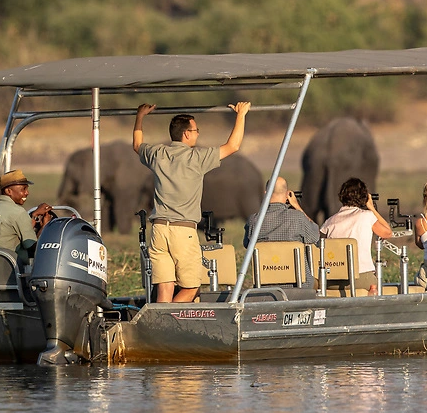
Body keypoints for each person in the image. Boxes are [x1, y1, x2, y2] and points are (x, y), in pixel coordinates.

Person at [133, 101, 250, 303]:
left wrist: (140, 116)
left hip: (159, 231)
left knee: (165, 289)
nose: (198, 134)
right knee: (191, 288)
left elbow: (136, 145)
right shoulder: (196, 158)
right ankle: (166, 322)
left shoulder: (158, 154)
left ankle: (160, 330)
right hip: (182, 232)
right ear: (186, 134)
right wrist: (241, 115)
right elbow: (233, 146)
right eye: (196, 130)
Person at [320, 177, 393, 295]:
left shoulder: (329, 221)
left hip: (332, 280)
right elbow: (387, 232)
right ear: (364, 197)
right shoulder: (367, 216)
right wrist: (372, 207)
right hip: (360, 277)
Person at [244, 176, 320, 285]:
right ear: (287, 195)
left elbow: (247, 244)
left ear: (266, 194)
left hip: (265, 285)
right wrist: (298, 207)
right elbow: (315, 236)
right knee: (318, 282)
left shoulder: (254, 220)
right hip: (298, 284)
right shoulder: (298, 217)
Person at [0, 169, 54, 265]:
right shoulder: (18, 212)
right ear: (8, 191)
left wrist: (34, 215)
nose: (27, 193)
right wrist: (44, 227)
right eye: (23, 189)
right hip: (10, 270)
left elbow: (12, 229)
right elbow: (33, 248)